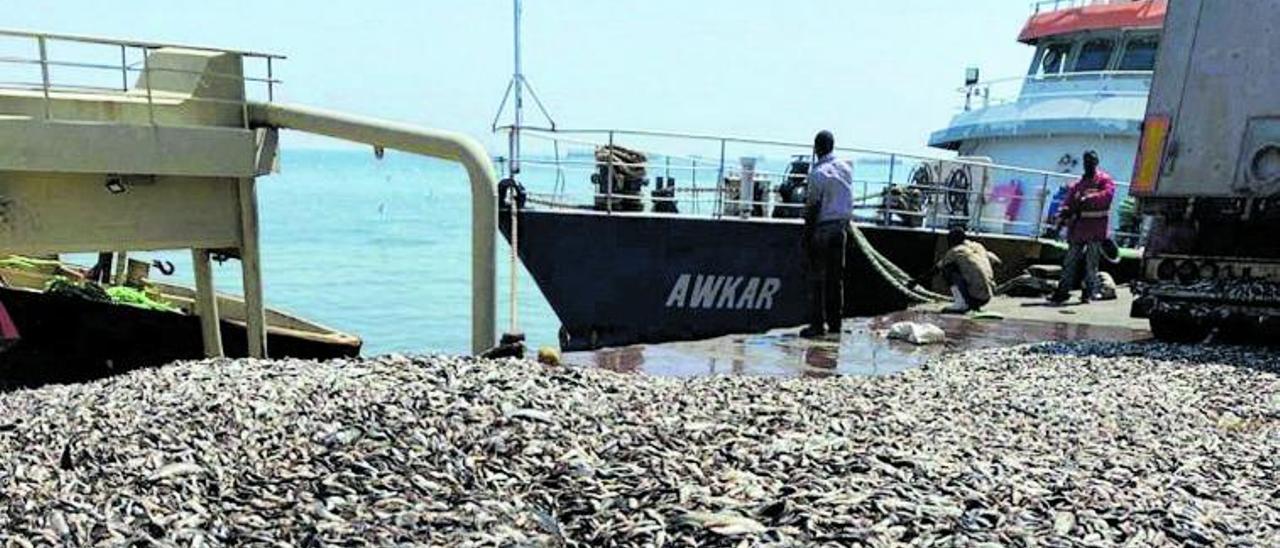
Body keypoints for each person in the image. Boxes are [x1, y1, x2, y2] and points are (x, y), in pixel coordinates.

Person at [801, 130, 854, 338]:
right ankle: (835, 324)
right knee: (835, 280)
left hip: (823, 229)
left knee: (817, 279)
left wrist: (806, 236)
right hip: (841, 228)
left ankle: (817, 325)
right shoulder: (846, 168)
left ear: (816, 148)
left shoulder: (817, 173)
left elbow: (813, 206)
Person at [1049, 150, 1115, 304]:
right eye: (1086, 161)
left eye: (1091, 161)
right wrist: (1063, 214)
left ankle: (1088, 292)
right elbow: (1069, 202)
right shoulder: (1078, 185)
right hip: (1078, 229)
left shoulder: (1104, 180)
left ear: (1096, 162)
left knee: (1091, 263)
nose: (1088, 164)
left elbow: (1107, 196)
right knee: (1070, 261)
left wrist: (1088, 198)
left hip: (1096, 229)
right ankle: (1062, 291)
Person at [933, 228, 1002, 313]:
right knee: (967, 266)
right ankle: (970, 301)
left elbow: (937, 268)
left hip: (974, 297)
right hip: (987, 297)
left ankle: (961, 304)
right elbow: (997, 261)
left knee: (947, 268)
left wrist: (916, 281)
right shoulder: (978, 246)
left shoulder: (955, 251)